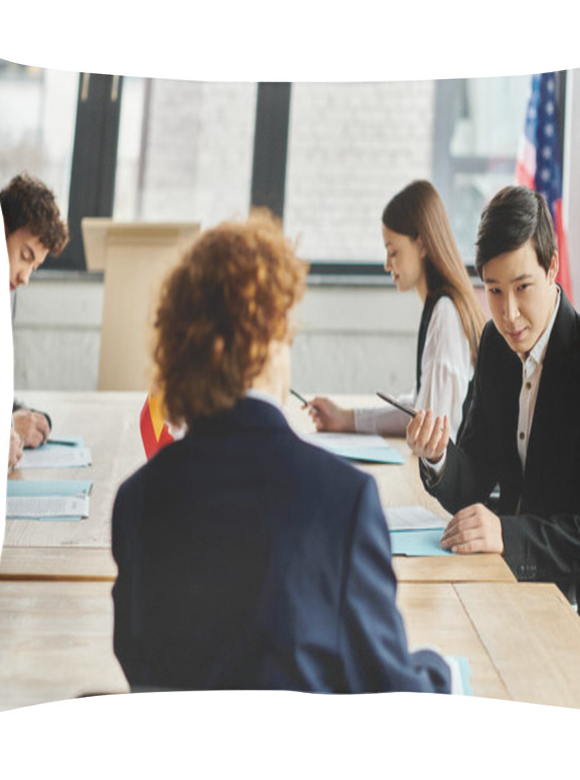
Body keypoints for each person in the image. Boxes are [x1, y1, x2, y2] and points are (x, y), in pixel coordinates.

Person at [111, 210, 452, 694]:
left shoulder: (136, 499)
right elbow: (388, 690)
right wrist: (439, 670)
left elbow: (137, 659)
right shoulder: (344, 500)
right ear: (272, 338)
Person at [407, 185, 580, 697]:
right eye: (493, 290)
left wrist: (508, 536)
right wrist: (440, 457)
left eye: (522, 287)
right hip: (508, 596)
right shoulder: (494, 345)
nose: (509, 313)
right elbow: (474, 480)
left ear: (553, 268)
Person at [307, 180, 485, 443]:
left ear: (423, 245)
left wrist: (348, 419)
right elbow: (419, 409)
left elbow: (430, 431)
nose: (387, 264)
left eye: (393, 252)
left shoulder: (445, 313)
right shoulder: (440, 307)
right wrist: (345, 418)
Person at [0, 173, 69, 468]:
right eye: (25, 256)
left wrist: (21, 416)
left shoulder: (4, 295)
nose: (25, 277)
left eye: (35, 267)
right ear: (0, 229)